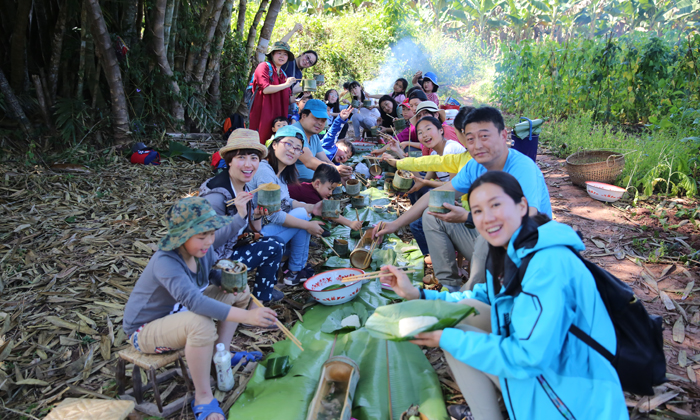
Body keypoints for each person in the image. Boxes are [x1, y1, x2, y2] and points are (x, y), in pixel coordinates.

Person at [381, 171, 626, 420]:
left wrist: (445, 338)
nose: (487, 218)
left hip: (573, 401)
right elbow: (481, 296)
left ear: (522, 206)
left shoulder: (549, 265)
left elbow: (529, 357)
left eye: (495, 205)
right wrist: (417, 293)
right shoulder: (509, 249)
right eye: (476, 211)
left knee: (456, 338)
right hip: (548, 371)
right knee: (465, 307)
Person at [122, 196, 279, 420]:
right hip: (145, 330)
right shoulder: (166, 261)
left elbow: (211, 275)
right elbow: (195, 303)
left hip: (179, 314)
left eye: (212, 234)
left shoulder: (202, 252)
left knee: (240, 291)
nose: (208, 241)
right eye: (201, 236)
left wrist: (223, 280)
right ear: (181, 236)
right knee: (200, 323)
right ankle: (203, 397)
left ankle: (221, 353)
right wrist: (248, 316)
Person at [374, 106, 552, 292]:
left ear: (503, 135)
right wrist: (395, 224)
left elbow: (526, 223)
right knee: (432, 212)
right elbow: (435, 195)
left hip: (525, 252)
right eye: (470, 139)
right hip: (488, 238)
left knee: (485, 241)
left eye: (484, 136)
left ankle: (469, 298)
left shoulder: (522, 168)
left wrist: (468, 217)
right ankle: (451, 286)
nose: (477, 145)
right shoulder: (474, 165)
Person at [199, 129, 285, 302]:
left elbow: (250, 230)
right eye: (241, 158)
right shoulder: (216, 196)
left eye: (253, 158)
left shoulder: (242, 185)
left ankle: (263, 291)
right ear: (229, 161)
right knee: (272, 248)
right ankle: (258, 302)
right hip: (212, 264)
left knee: (278, 242)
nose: (248, 165)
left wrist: (257, 216)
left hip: (230, 248)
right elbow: (208, 242)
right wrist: (239, 216)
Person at [248, 126, 325, 285]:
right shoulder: (264, 170)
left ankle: (291, 267)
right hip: (253, 233)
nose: (292, 151)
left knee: (303, 210)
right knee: (302, 216)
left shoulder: (281, 173)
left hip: (266, 227)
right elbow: (273, 214)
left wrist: (311, 207)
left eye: (298, 148)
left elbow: (286, 202)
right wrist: (307, 224)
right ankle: (295, 270)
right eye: (288, 144)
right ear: (274, 144)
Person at [288, 164, 362, 231]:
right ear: (317, 183)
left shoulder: (311, 185)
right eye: (329, 189)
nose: (331, 193)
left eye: (333, 190)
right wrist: (350, 223)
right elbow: (330, 212)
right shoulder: (310, 195)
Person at [293, 99, 353, 182]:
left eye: (323, 120)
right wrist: (335, 169)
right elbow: (309, 161)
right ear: (303, 116)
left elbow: (325, 160)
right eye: (317, 118)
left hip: (312, 181)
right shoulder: (294, 132)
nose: (320, 123)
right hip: (293, 184)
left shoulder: (314, 136)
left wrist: (338, 174)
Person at [249, 41, 296, 143]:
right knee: (258, 143)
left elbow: (287, 100)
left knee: (275, 145)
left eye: (285, 54)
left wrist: (304, 92)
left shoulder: (283, 75)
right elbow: (265, 89)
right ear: (272, 54)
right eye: (279, 53)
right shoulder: (264, 67)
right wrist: (286, 84)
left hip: (278, 120)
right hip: (262, 115)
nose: (282, 56)